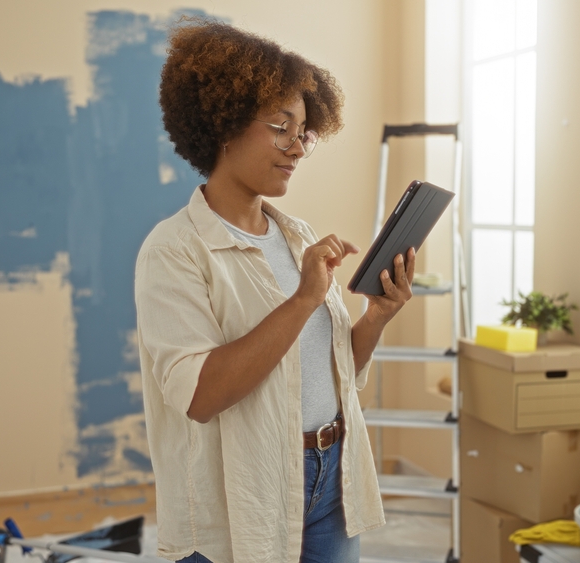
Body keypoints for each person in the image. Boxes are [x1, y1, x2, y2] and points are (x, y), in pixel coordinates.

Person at [135, 19, 417, 563]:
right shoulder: (173, 251)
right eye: (280, 126)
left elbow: (331, 373)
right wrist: (303, 300)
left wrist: (375, 318)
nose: (296, 147)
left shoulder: (297, 238)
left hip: (330, 477)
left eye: (304, 132)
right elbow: (200, 396)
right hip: (244, 494)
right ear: (225, 123)